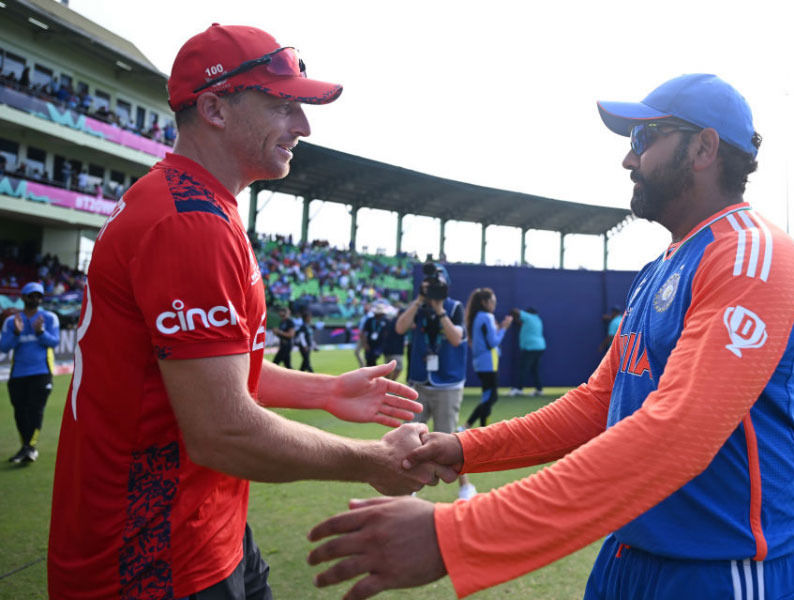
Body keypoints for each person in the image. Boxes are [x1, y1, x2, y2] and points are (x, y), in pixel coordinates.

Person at [307, 74, 794, 600]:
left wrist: (457, 535)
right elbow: (598, 405)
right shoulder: (664, 265)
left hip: (730, 566)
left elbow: (678, 432)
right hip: (631, 552)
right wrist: (464, 448)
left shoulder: (752, 255)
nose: (629, 159)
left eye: (643, 138)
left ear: (704, 148)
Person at [47, 24, 455, 599]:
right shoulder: (189, 222)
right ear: (214, 108)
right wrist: (372, 459)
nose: (303, 126)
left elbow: (210, 372)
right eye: (282, 105)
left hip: (207, 526)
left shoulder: (194, 205)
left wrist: (324, 391)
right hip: (152, 557)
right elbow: (224, 431)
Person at [395, 263, 477, 500]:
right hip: (420, 382)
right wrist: (418, 301)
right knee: (408, 436)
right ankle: (408, 489)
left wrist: (440, 310)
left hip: (446, 384)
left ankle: (465, 487)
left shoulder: (454, 307)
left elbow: (456, 339)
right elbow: (400, 328)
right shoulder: (418, 307)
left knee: (447, 441)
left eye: (436, 284)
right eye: (428, 283)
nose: (432, 288)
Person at [0, 282, 60, 464]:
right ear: (23, 297)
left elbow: (54, 342)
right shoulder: (11, 321)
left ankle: (29, 447)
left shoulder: (49, 317)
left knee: (35, 410)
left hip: (41, 371)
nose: (35, 299)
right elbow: (4, 347)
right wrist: (16, 333)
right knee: (20, 412)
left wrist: (40, 332)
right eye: (32, 295)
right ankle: (26, 447)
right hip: (18, 373)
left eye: (39, 296)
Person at [464, 288, 513, 428]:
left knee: (488, 396)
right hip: (488, 363)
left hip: (482, 363)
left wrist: (500, 328)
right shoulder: (487, 317)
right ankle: (474, 427)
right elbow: (493, 342)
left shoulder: (477, 316)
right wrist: (504, 328)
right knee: (491, 397)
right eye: (492, 302)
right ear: (484, 302)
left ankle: (471, 426)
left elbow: (486, 340)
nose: (494, 305)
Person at [508, 306, 545, 396]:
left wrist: (510, 317)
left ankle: (518, 389)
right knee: (534, 369)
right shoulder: (537, 320)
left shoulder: (529, 317)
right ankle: (539, 390)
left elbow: (515, 311)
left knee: (523, 368)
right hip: (540, 347)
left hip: (531, 348)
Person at [360, 302, 390, 368]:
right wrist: (365, 343)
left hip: (381, 344)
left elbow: (388, 333)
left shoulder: (386, 321)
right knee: (369, 361)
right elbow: (363, 332)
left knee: (375, 357)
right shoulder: (370, 320)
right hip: (370, 344)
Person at [380, 305, 406, 381]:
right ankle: (390, 382)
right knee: (396, 368)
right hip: (394, 349)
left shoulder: (391, 321)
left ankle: (388, 383)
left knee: (391, 368)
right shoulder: (394, 322)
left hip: (392, 349)